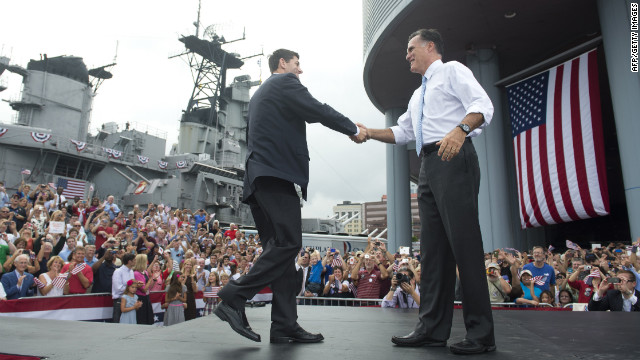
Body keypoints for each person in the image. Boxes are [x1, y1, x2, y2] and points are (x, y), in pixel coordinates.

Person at [355, 29, 495, 354]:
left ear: (430, 46)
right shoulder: (418, 95)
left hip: (454, 157)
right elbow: (403, 131)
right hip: (429, 166)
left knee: (465, 246)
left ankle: (481, 335)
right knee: (432, 254)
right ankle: (431, 329)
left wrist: (460, 130)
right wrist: (368, 132)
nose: (407, 55)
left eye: (411, 48)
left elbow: (482, 106)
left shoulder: (452, 71)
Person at [214, 48, 364, 344]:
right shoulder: (284, 83)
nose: (300, 70)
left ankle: (284, 324)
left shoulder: (260, 94)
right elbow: (317, 109)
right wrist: (352, 128)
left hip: (259, 179)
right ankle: (234, 295)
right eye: (297, 64)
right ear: (282, 63)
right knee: (289, 243)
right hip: (276, 176)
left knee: (280, 251)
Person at [112, 253, 136, 323]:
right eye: (134, 260)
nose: (135, 261)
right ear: (129, 261)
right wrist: (131, 288)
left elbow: (132, 285)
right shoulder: (118, 272)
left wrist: (137, 284)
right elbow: (118, 288)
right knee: (118, 321)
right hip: (120, 300)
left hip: (130, 300)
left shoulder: (131, 271)